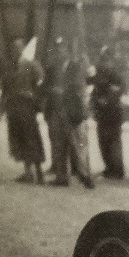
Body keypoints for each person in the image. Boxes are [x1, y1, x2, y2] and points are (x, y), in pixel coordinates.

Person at [0, 37, 45, 184]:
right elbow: (4, 88)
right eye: (14, 47)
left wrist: (36, 99)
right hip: (13, 106)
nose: (16, 49)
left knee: (32, 138)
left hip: (27, 106)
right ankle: (28, 173)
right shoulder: (10, 66)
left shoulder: (32, 64)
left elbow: (41, 82)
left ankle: (39, 173)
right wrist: (2, 105)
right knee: (19, 138)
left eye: (19, 46)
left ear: (24, 48)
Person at [51, 42, 94, 188]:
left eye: (62, 50)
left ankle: (86, 177)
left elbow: (78, 85)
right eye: (57, 50)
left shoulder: (75, 67)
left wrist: (61, 90)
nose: (59, 53)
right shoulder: (54, 68)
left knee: (78, 144)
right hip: (58, 110)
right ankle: (61, 177)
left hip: (72, 111)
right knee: (59, 144)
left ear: (67, 52)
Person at [90, 45, 125, 180]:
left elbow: (118, 90)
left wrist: (106, 100)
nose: (104, 61)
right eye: (103, 58)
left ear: (111, 59)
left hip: (113, 112)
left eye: (106, 58)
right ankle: (109, 168)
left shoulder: (115, 74)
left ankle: (117, 170)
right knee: (103, 141)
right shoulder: (100, 73)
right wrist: (94, 103)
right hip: (102, 113)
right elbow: (94, 89)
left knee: (114, 142)